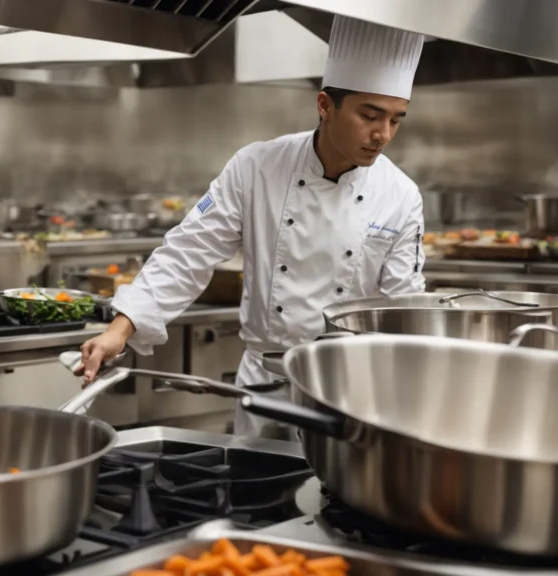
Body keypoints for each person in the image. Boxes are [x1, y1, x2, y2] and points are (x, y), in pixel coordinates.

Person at [77, 16, 428, 438]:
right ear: (324, 105)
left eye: (395, 120)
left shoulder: (400, 195)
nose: (382, 134)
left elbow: (401, 309)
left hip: (349, 394)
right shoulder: (257, 167)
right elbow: (189, 251)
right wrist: (120, 328)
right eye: (369, 115)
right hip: (265, 391)